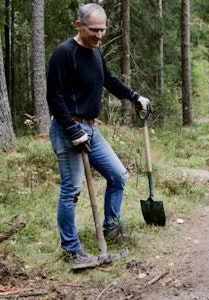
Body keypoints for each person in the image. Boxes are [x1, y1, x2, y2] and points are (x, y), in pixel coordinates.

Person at [47, 3, 151, 264]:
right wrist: (72, 130)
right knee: (71, 190)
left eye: (103, 30)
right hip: (67, 128)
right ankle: (72, 250)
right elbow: (55, 98)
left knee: (118, 175)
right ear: (79, 25)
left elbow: (109, 80)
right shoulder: (64, 53)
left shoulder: (96, 52)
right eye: (94, 30)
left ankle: (112, 227)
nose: (99, 35)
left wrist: (134, 96)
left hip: (91, 129)